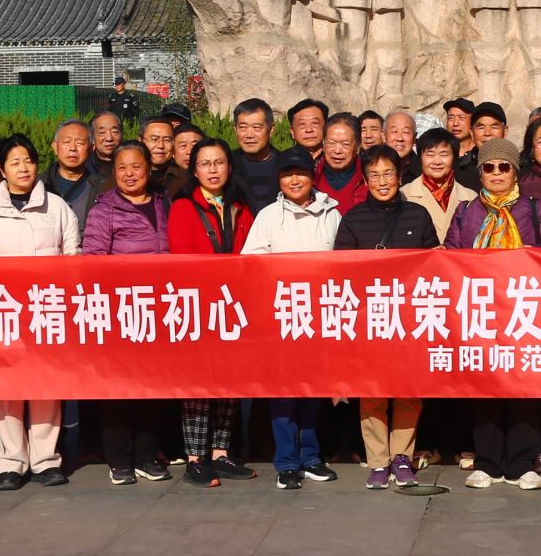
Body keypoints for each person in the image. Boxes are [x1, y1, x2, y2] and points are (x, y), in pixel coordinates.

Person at [445, 137, 541, 489]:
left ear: (515, 172)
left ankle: (524, 463)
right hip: (480, 310)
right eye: (489, 167)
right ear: (480, 173)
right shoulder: (466, 211)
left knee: (524, 387)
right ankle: (488, 462)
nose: (497, 173)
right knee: (485, 387)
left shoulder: (536, 208)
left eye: (504, 166)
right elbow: (450, 254)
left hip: (524, 310)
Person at [0, 136, 80, 491]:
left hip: (48, 310)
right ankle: (11, 463)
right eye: (14, 162)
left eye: (28, 160)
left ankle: (46, 460)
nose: (23, 168)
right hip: (6, 313)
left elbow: (73, 257)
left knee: (47, 386)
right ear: (2, 170)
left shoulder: (57, 207)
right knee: (9, 389)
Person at [336, 145, 438, 488]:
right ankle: (378, 461)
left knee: (409, 390)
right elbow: (342, 271)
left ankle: (402, 457)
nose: (382, 181)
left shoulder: (417, 215)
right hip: (371, 317)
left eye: (388, 174)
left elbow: (434, 264)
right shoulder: (353, 219)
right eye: (375, 175)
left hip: (411, 317)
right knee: (372, 391)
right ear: (365, 180)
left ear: (399, 176)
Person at [243, 146, 345, 490]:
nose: (294, 180)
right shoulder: (268, 216)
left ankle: (312, 457)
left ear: (312, 177)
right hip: (281, 315)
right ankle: (286, 462)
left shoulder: (332, 213)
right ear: (279, 179)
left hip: (321, 315)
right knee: (284, 393)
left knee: (314, 391)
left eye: (300, 173)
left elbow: (345, 263)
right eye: (287, 174)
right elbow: (251, 264)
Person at [81, 139, 176, 484]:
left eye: (136, 166)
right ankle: (119, 459)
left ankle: (147, 456)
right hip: (120, 310)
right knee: (119, 387)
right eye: (122, 167)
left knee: (153, 386)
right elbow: (92, 262)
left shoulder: (165, 202)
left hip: (159, 309)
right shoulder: (104, 209)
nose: (129, 173)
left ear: (149, 169)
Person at [167, 137, 258, 485]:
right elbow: (182, 259)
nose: (213, 170)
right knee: (198, 384)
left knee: (229, 381)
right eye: (205, 164)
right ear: (194, 170)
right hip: (198, 306)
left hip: (235, 306)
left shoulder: (240, 206)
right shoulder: (183, 207)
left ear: (229, 167)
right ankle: (195, 458)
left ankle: (221, 453)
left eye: (219, 162)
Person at [403, 125, 476, 240]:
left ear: (454, 158)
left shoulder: (471, 198)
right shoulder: (404, 195)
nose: (437, 161)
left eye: (444, 155)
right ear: (420, 158)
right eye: (430, 155)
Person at [230, 98, 282, 211]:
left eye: (256, 127)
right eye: (243, 127)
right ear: (235, 129)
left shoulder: (285, 164)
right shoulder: (227, 165)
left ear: (271, 129)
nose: (249, 135)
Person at [42, 119, 98, 219]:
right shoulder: (40, 184)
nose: (73, 148)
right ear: (55, 147)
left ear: (91, 148)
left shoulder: (100, 187)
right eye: (66, 142)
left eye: (80, 143)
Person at [314, 111, 368, 212]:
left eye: (345, 144)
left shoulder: (368, 178)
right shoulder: (312, 177)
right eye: (331, 143)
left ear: (358, 145)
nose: (337, 151)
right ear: (323, 143)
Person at [454, 101, 509, 189]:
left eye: (494, 127)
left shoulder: (519, 168)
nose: (487, 133)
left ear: (505, 132)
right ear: (472, 133)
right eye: (481, 127)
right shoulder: (458, 172)